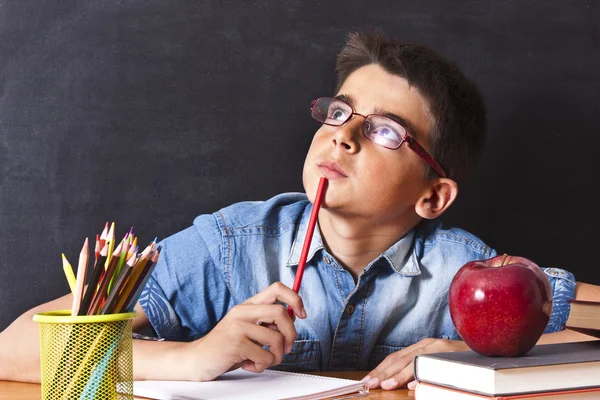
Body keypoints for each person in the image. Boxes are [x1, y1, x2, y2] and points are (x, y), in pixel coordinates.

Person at [2, 29, 599, 391]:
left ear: (433, 196)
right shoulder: (230, 245)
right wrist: (192, 357)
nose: (343, 137)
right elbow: (16, 350)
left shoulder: (463, 272)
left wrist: (475, 353)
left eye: (386, 132)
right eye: (340, 113)